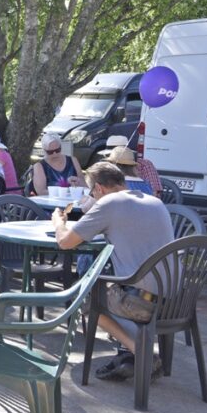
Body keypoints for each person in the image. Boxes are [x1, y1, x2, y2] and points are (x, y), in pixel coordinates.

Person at [53, 162, 174, 381]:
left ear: (99, 188)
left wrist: (58, 222)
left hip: (142, 304)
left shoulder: (109, 203)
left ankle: (138, 349)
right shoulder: (155, 202)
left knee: (81, 295)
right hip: (176, 300)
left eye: (92, 192)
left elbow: (65, 242)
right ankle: (129, 353)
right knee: (113, 284)